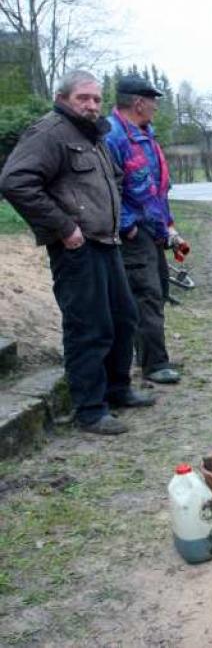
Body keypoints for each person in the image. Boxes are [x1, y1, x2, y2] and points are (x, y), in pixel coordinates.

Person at [0, 70, 155, 435]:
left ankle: (118, 390)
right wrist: (64, 226)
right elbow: (14, 181)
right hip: (77, 248)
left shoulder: (94, 134)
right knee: (90, 326)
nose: (91, 105)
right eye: (83, 98)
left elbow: (114, 176)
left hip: (106, 241)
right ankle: (90, 409)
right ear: (64, 97)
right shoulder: (50, 133)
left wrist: (112, 213)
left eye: (96, 99)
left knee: (123, 318)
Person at [105, 74, 187, 385]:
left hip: (152, 231)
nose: (155, 106)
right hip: (134, 234)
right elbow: (108, 190)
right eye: (152, 101)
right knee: (145, 295)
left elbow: (155, 190)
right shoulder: (113, 137)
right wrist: (128, 229)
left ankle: (150, 357)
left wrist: (169, 227)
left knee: (158, 291)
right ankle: (154, 365)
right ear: (138, 103)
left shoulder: (144, 135)